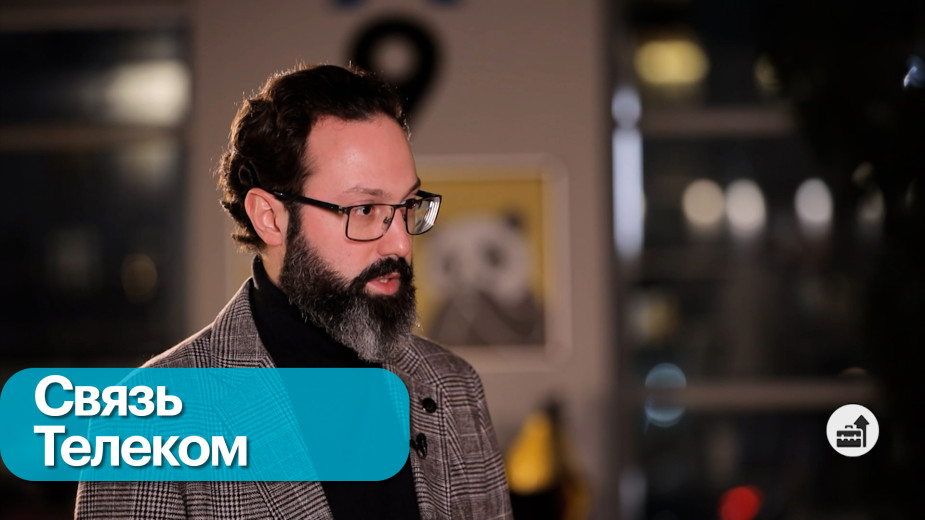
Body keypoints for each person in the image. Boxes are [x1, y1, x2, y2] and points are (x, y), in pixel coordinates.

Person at [75, 64, 513, 519]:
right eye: (365, 209)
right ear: (270, 218)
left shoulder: (454, 386)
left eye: (406, 206)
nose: (401, 243)